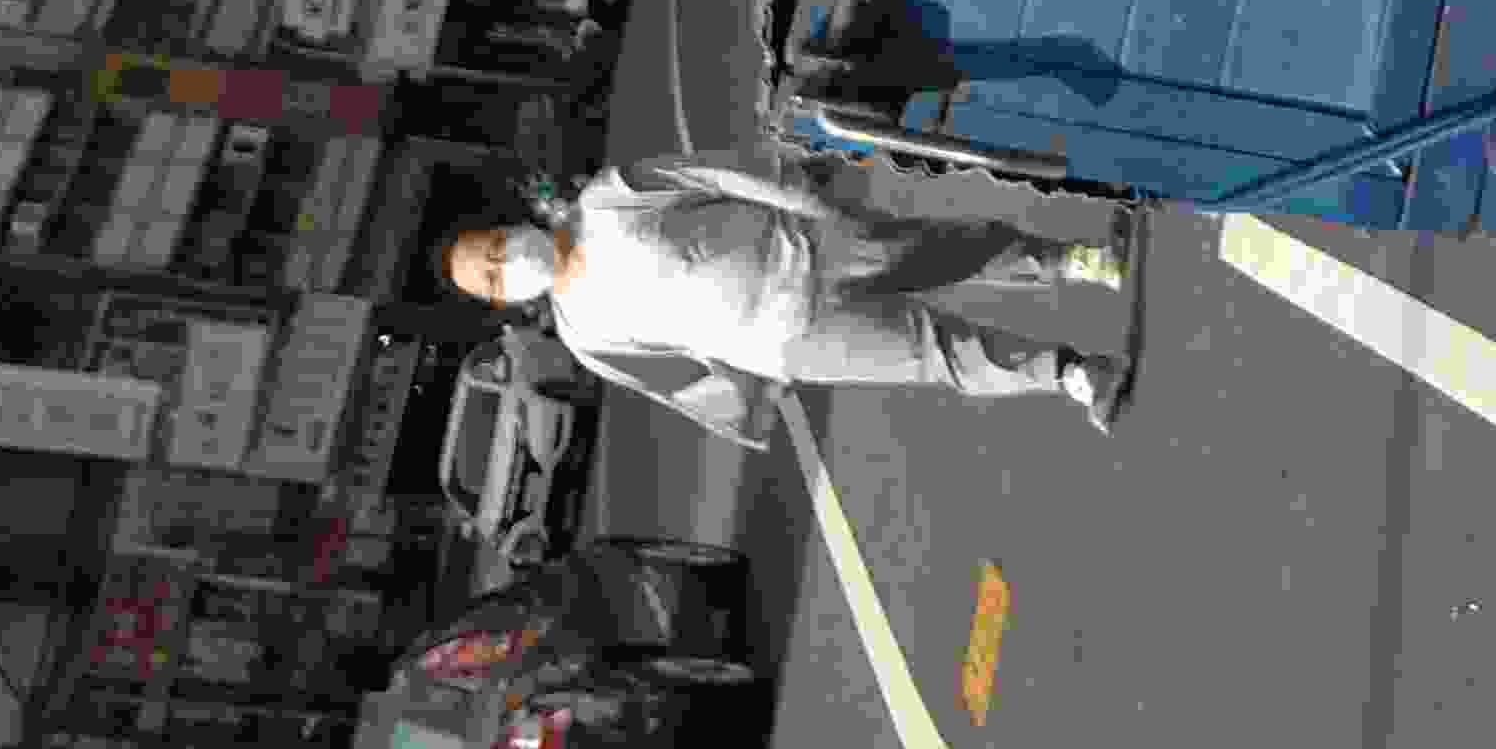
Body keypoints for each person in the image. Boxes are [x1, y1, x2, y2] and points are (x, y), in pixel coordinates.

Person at [440, 156, 1137, 442]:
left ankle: (1078, 261)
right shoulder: (586, 336)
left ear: (509, 227)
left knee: (950, 252)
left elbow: (717, 175)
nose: (508, 264)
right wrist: (748, 402)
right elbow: (675, 379)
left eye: (496, 248)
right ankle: (1072, 373)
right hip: (795, 340)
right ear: (502, 303)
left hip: (813, 246)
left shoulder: (611, 196)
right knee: (939, 356)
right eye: (493, 278)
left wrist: (809, 201)